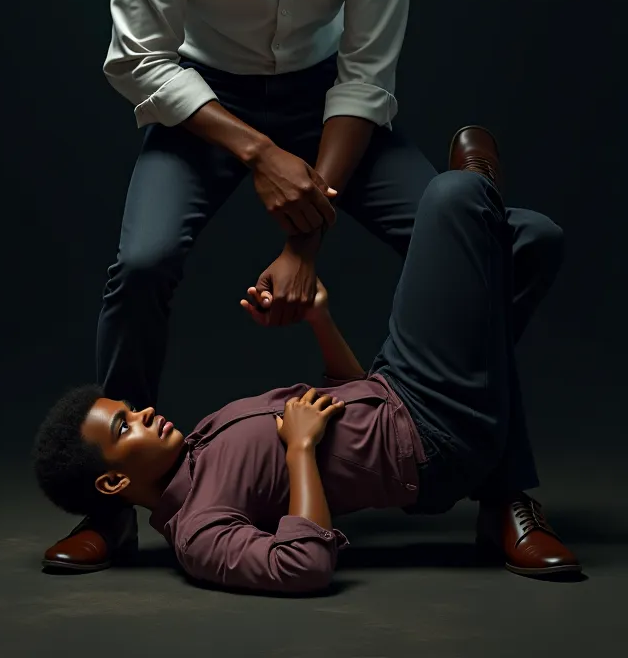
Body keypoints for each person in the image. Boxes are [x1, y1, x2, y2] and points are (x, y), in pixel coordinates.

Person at [42, 0, 564, 568]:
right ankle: (114, 509)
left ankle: (501, 490)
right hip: (204, 106)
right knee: (142, 262)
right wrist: (258, 152)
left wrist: (302, 239)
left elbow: (366, 74)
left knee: (510, 251)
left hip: (331, 105)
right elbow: (138, 62)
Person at [34, 128, 581, 591]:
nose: (146, 413)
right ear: (112, 485)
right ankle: (478, 189)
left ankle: (480, 210)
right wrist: (299, 448)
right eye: (126, 426)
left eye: (132, 410)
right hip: (432, 440)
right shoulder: (199, 531)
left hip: (397, 385)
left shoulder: (201, 438)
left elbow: (345, 392)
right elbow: (302, 566)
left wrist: (319, 319)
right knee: (453, 198)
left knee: (534, 242)